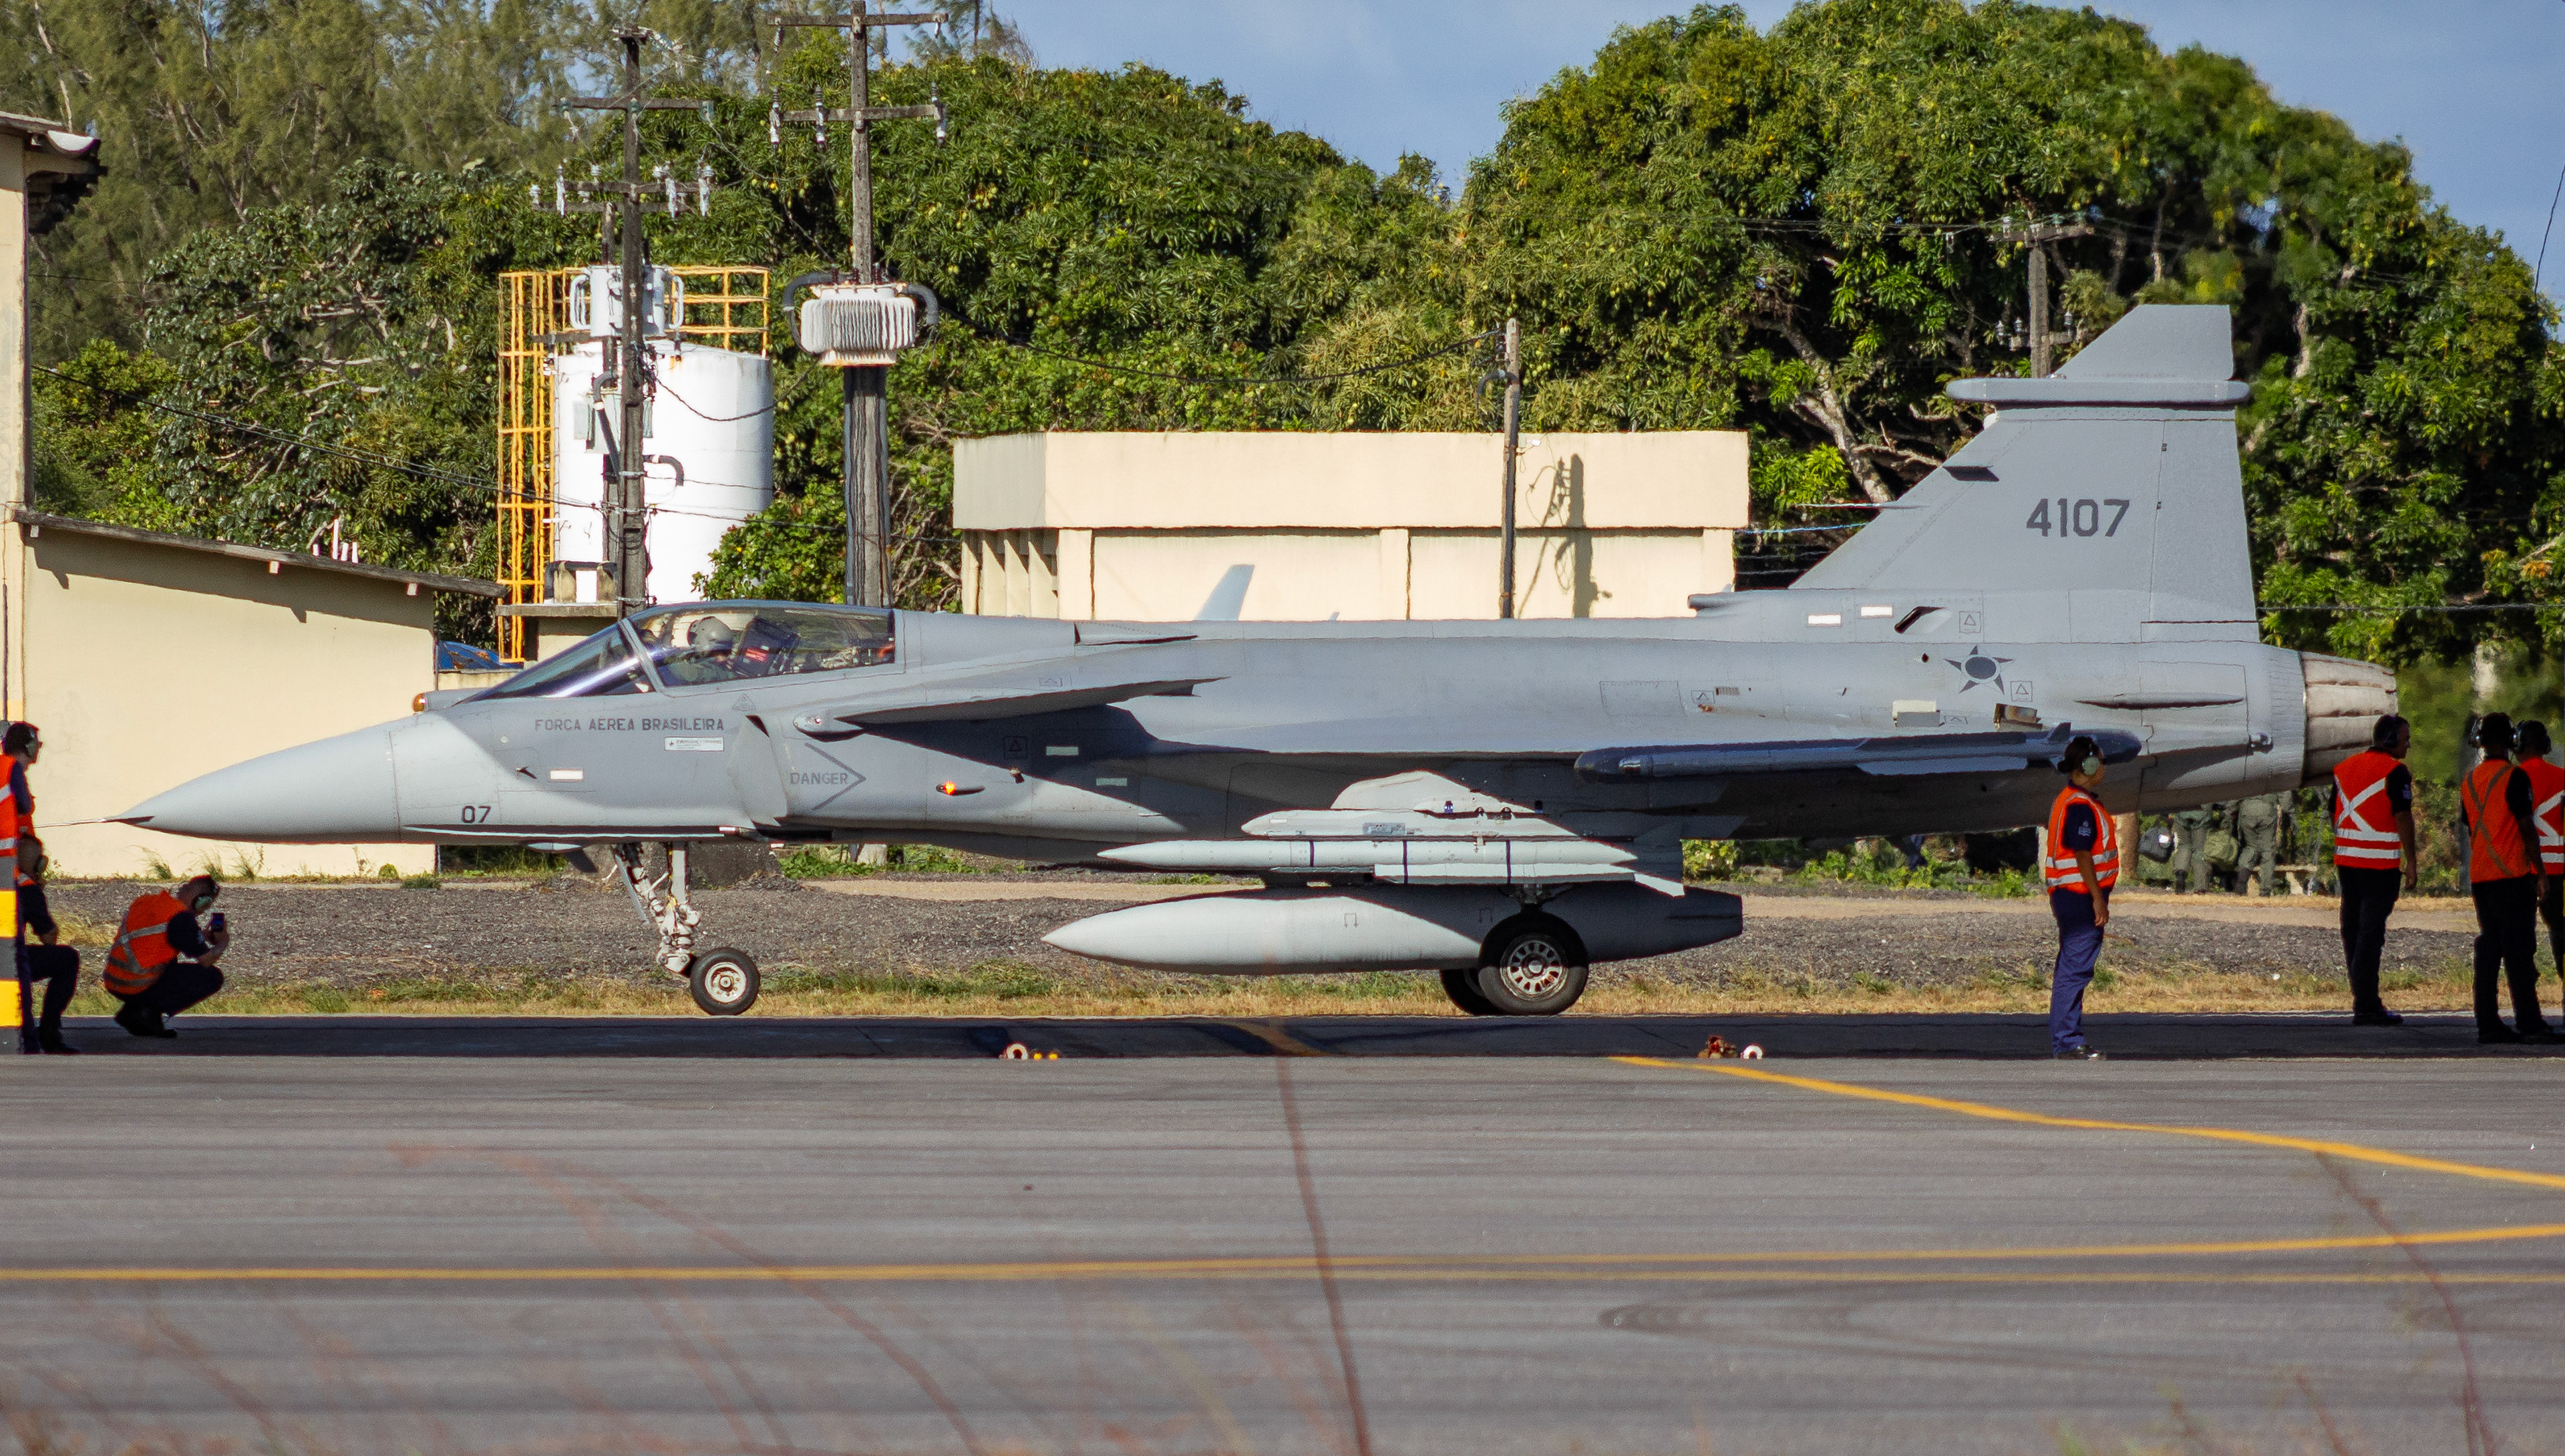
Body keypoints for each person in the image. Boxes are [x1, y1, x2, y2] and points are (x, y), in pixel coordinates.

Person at [2460, 713, 2553, 1045]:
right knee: (2519, 950)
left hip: (2482, 876)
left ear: (2480, 741)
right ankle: (2529, 1021)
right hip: (2512, 874)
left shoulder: (2470, 781)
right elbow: (2527, 827)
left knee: (2490, 947)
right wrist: (2540, 870)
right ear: (2512, 741)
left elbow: (2473, 826)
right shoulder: (2515, 777)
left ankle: (2487, 1022)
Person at [2331, 714, 2418, 1027]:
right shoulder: (2396, 771)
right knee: (2370, 934)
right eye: (2405, 738)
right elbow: (2403, 816)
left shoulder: (2343, 769)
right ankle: (2367, 1006)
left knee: (2352, 930)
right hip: (2379, 865)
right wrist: (2411, 860)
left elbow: (2335, 812)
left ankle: (2363, 999)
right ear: (2391, 739)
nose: (2408, 744)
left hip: (2347, 863)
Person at [2042, 736, 2117, 1060]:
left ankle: (2066, 1038)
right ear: (2087, 765)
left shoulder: (2072, 799)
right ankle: (2068, 1041)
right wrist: (2098, 899)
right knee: (2075, 969)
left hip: (2069, 895)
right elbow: (2083, 853)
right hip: (2079, 897)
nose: (2103, 767)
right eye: (2099, 761)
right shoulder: (2080, 806)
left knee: (2070, 968)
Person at [103, 874, 230, 1038]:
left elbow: (159, 936)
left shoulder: (148, 902)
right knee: (212, 977)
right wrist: (223, 942)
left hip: (114, 981)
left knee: (170, 958)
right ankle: (143, 1012)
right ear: (202, 902)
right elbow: (206, 960)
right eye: (207, 904)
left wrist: (201, 936)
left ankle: (140, 1012)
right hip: (137, 985)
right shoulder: (181, 919)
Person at [13, 836, 76, 1055]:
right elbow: (48, 937)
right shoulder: (25, 887)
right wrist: (38, 892)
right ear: (39, 863)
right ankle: (49, 1032)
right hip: (7, 961)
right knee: (68, 959)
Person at [2521, 721, 2565, 977]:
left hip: (2523, 867)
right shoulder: (2561, 776)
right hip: (2559, 867)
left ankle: (2526, 983)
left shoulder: (2511, 778)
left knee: (2521, 931)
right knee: (2560, 929)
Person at [2234, 791, 2286, 896]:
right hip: (2267, 809)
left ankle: (2241, 883)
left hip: (2247, 808)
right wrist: (2289, 811)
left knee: (2250, 847)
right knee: (2268, 851)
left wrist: (2231, 810)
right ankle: (2265, 891)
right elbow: (2285, 793)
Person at [2170, 805, 2214, 893]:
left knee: (2183, 846)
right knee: (2200, 850)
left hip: (2183, 812)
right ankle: (2200, 887)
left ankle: (2180, 873)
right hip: (2203, 813)